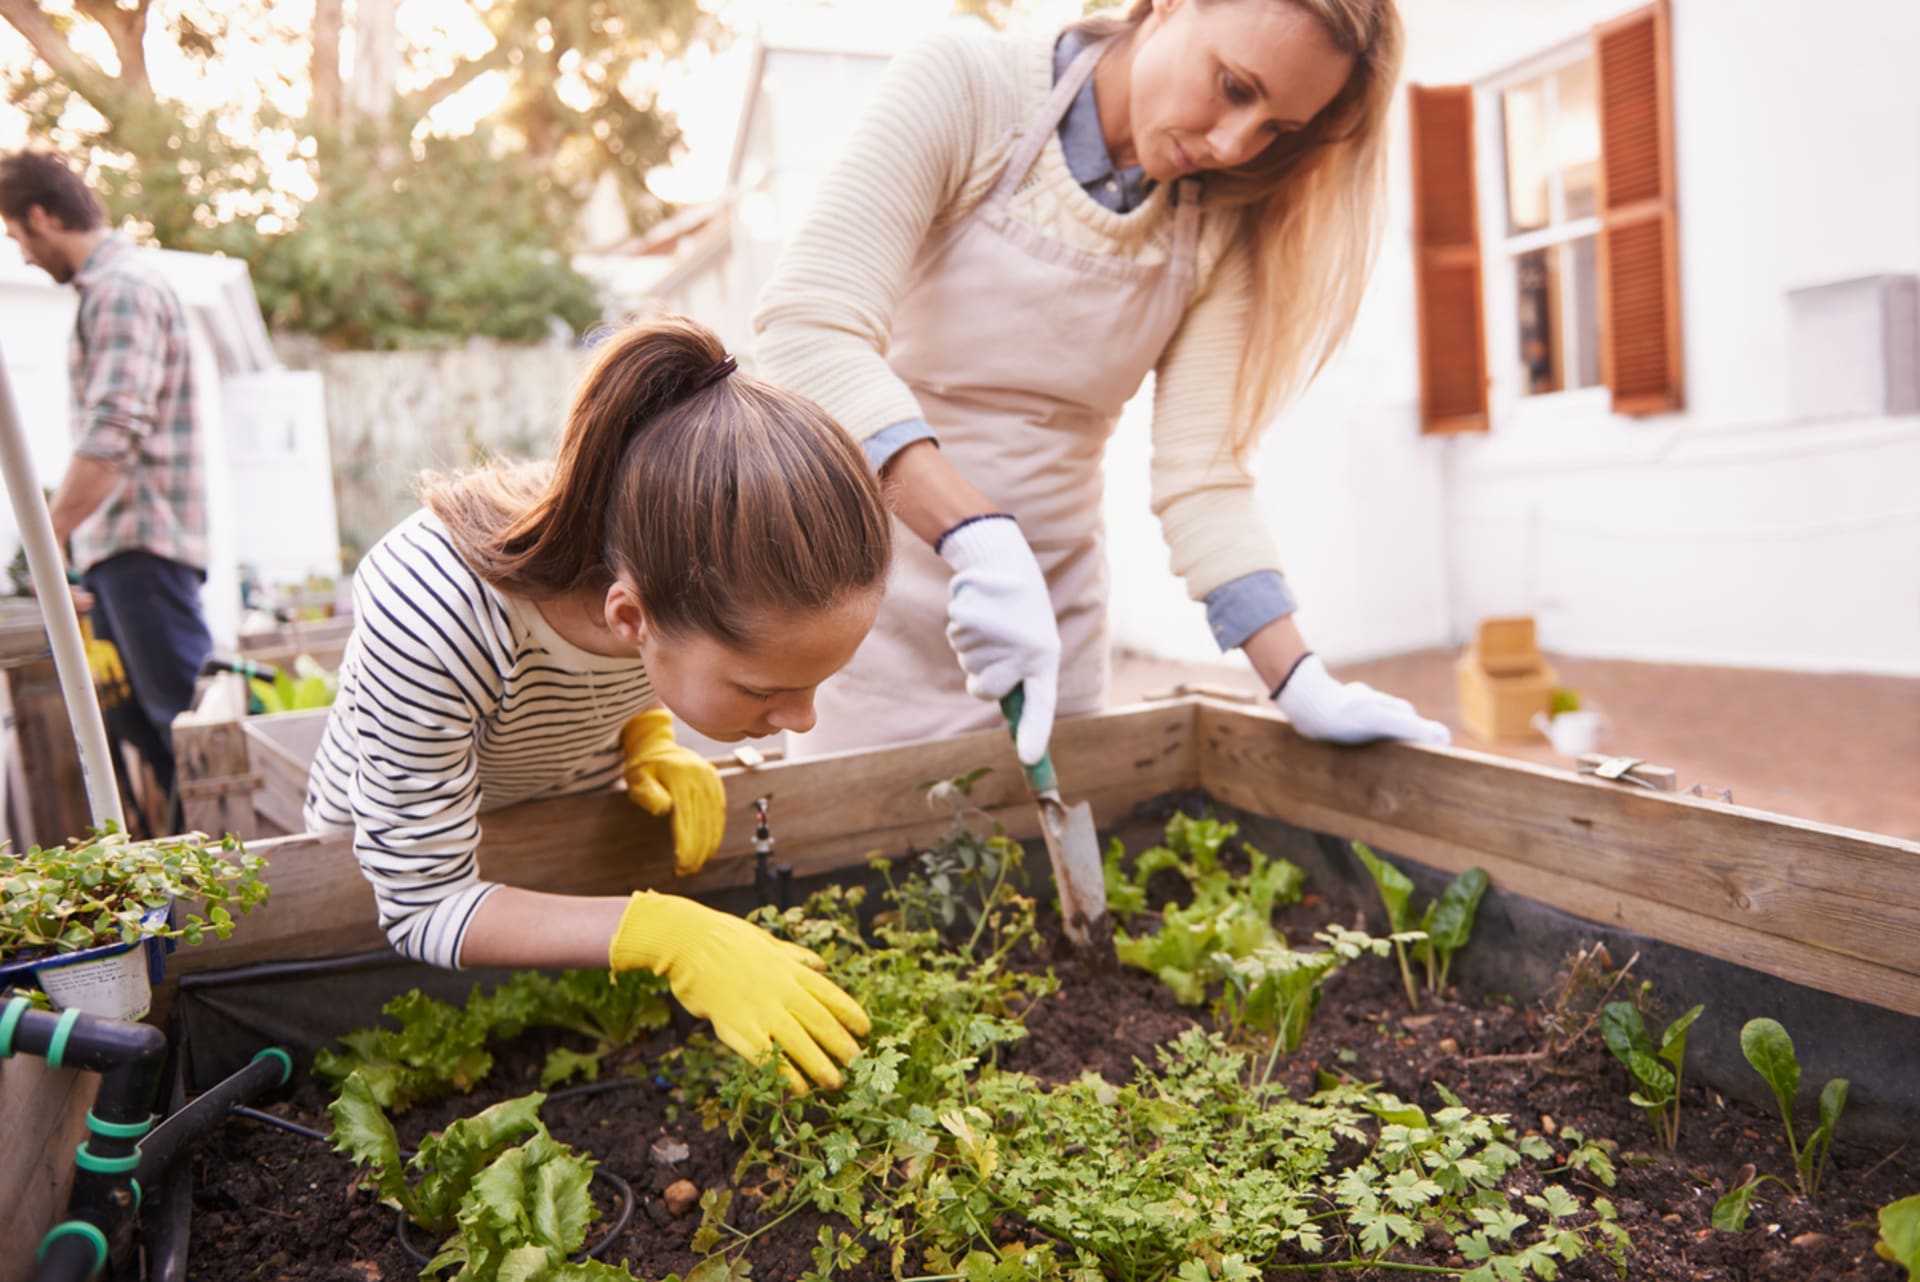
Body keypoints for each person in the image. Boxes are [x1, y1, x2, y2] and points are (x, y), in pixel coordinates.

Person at [753, 0, 1449, 765]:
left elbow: (1203, 477)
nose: (1232, 144)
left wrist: (1301, 680)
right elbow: (810, 327)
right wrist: (977, 536)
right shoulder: (970, 86)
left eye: (1276, 129)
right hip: (864, 620)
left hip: (1053, 628)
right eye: (1234, 87)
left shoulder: (1219, 217)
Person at [302, 315, 890, 1091]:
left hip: (555, 845)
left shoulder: (652, 544)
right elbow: (422, 905)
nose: (803, 720)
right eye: (763, 689)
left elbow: (634, 667)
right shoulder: (436, 608)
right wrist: (668, 933)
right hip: (381, 895)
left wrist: (645, 739)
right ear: (630, 618)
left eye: (816, 681)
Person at [0, 149, 214, 811]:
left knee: (194, 747)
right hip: (127, 557)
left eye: (16, 236)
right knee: (155, 743)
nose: (24, 257)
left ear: (42, 216)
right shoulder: (118, 288)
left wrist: (47, 537)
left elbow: (114, 429)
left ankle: (229, 908)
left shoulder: (121, 289)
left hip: (142, 554)